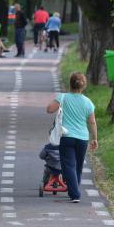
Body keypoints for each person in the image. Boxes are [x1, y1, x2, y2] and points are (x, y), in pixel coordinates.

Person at [46, 72, 98, 203]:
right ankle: (74, 189)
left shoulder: (63, 98)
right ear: (83, 85)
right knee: (78, 166)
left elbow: (49, 109)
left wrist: (59, 106)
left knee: (68, 165)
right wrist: (95, 138)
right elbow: (92, 121)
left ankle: (74, 194)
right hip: (82, 138)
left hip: (67, 137)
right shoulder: (88, 102)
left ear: (70, 84)